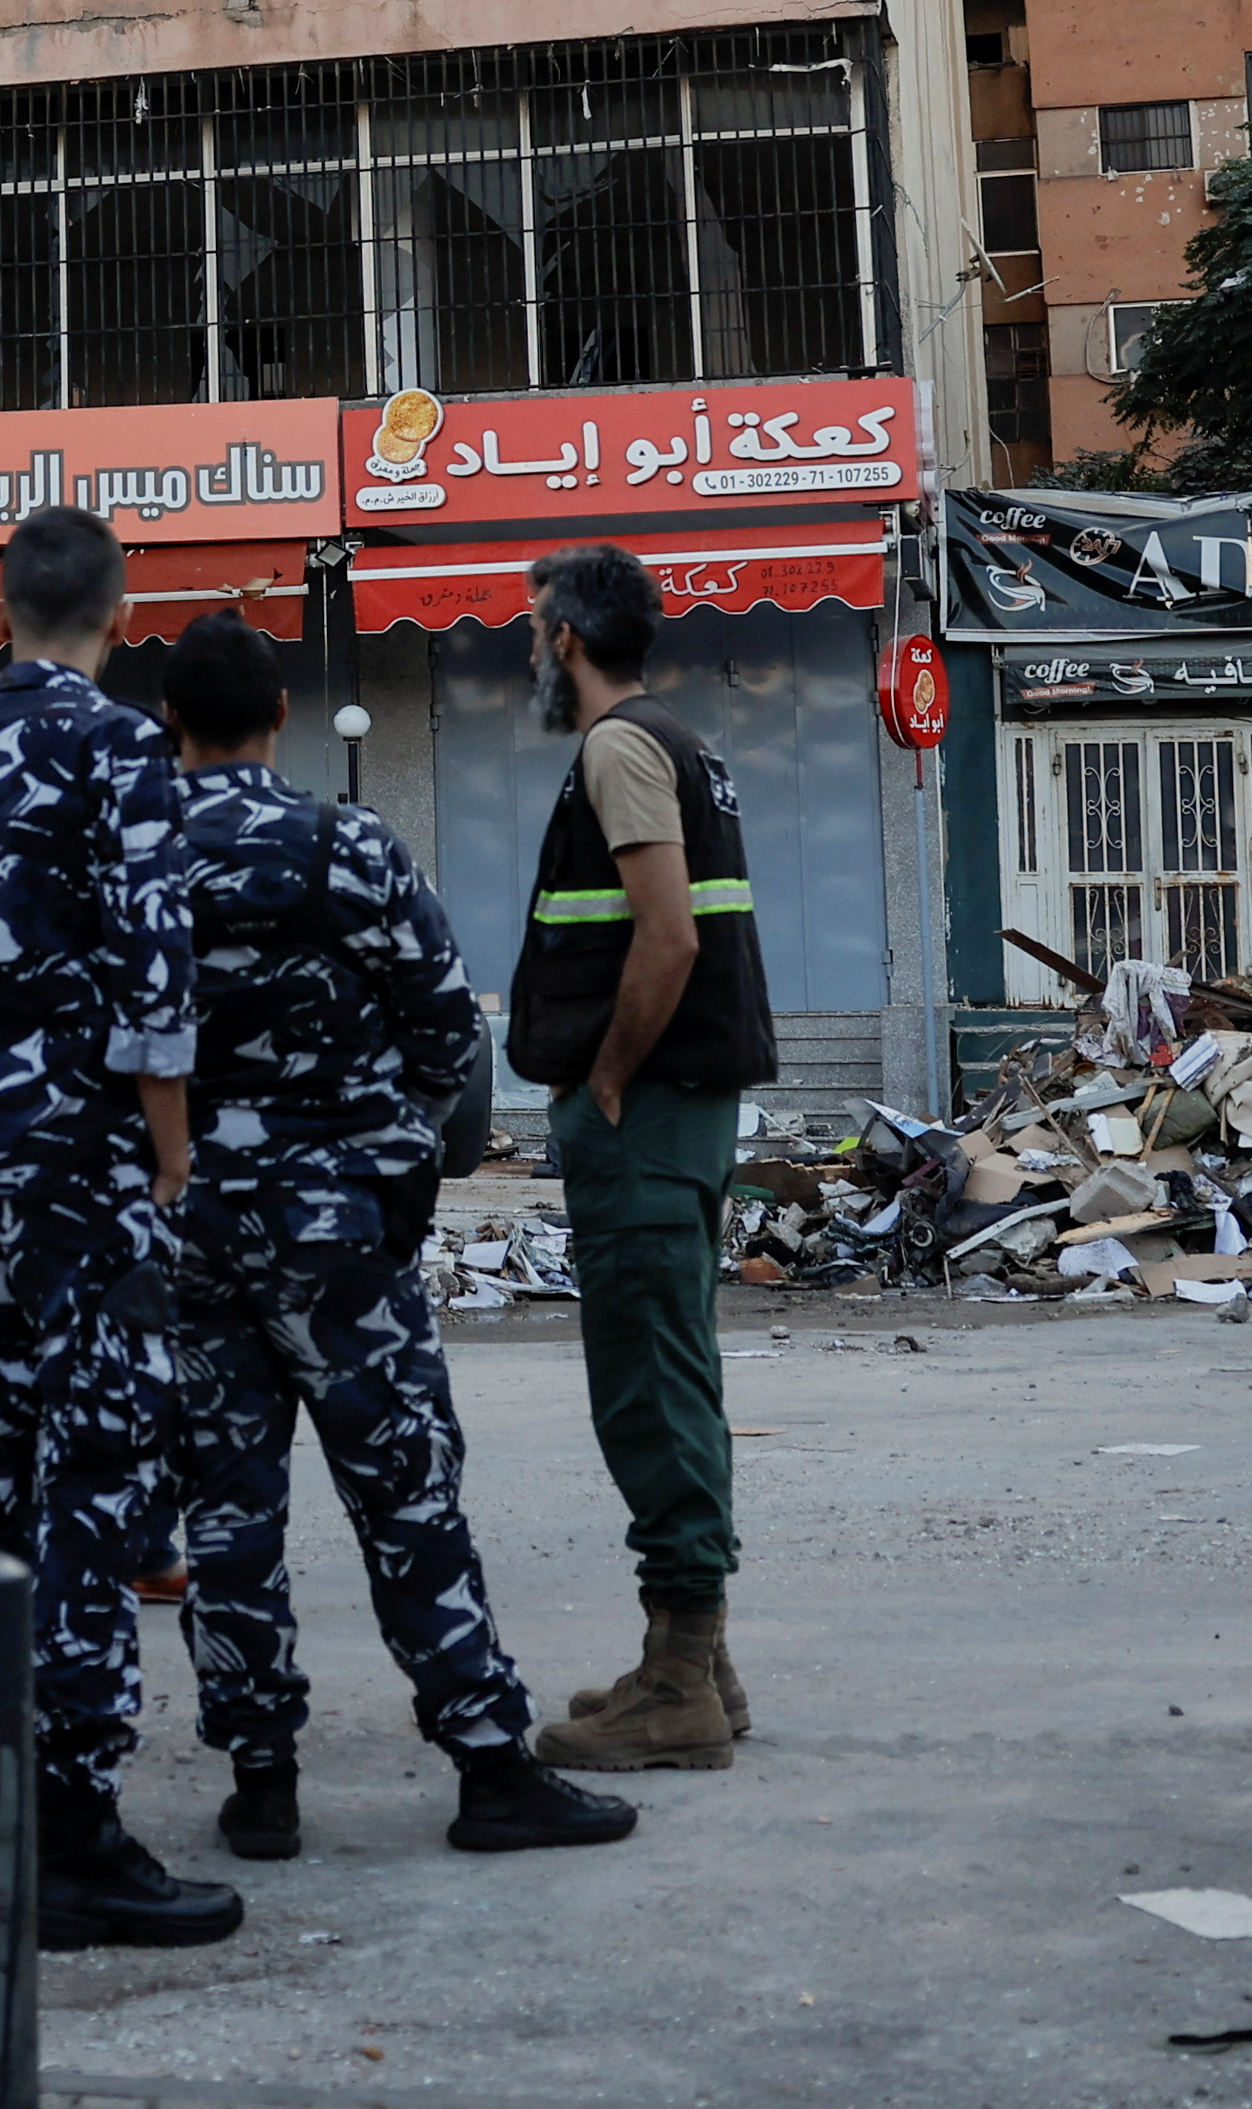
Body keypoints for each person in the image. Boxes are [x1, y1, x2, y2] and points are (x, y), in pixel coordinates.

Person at [160, 615, 633, 1862]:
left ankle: (260, 1779)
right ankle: (487, 1763)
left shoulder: (126, 857)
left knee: (224, 1509)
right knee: (408, 1497)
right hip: (341, 1236)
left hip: (191, 1229)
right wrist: (397, 1170)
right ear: (277, 717)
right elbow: (443, 1028)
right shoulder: (347, 844)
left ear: (171, 724)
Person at [0, 507, 237, 1950]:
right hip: (87, 1174)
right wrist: (170, 1164)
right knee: (93, 1489)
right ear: (121, 608)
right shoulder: (123, 749)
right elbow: (158, 976)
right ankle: (75, 1841)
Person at [500, 541, 772, 1774]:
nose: (531, 649)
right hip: (679, 1112)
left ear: (566, 634)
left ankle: (680, 1680)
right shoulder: (678, 742)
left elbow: (663, 939)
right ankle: (694, 1656)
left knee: (646, 1383)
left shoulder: (619, 747)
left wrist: (604, 1079)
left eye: (533, 627)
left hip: (646, 1112)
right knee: (678, 1368)